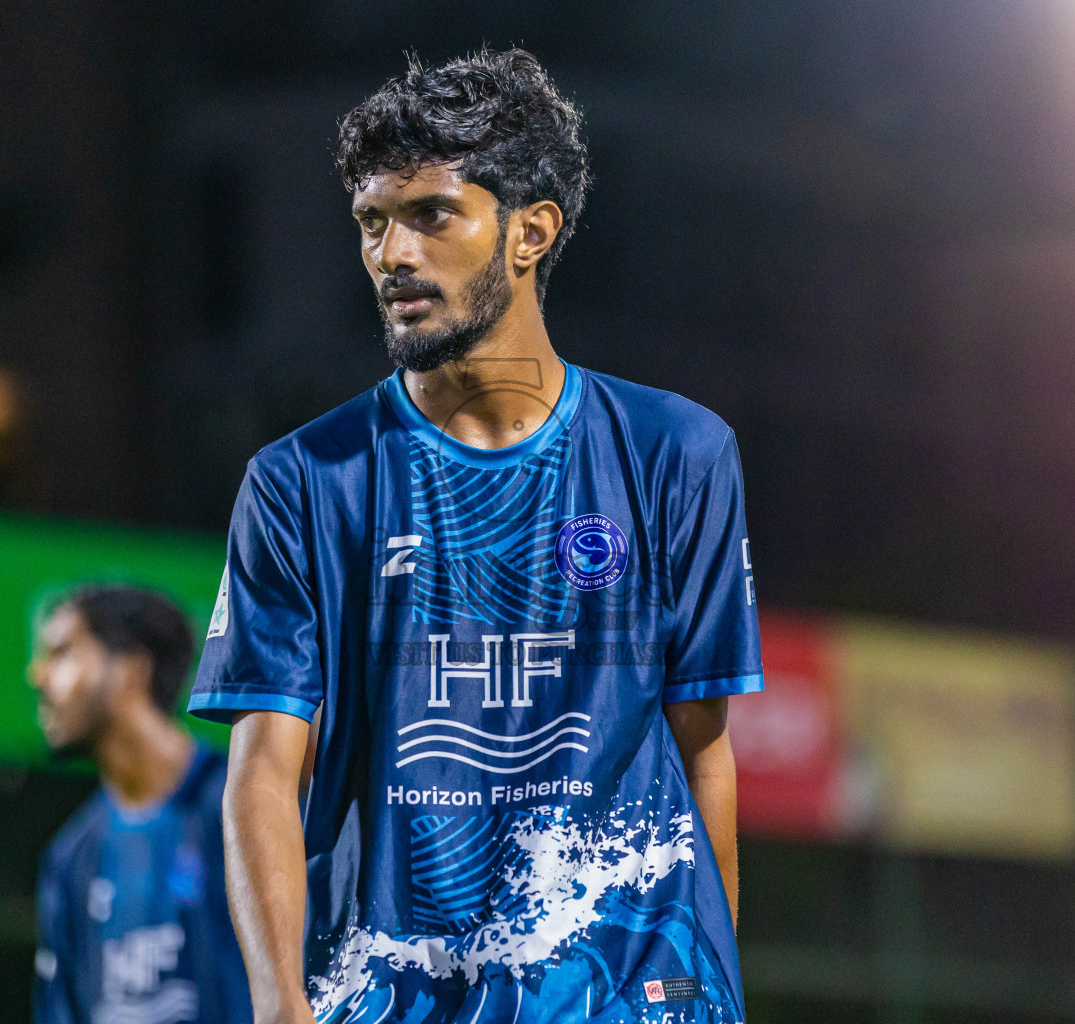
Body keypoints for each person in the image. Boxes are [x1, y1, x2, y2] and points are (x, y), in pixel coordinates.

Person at [190, 49, 763, 1024]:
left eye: (431, 215)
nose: (391, 254)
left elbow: (703, 750)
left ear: (531, 231)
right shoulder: (301, 481)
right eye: (372, 221)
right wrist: (280, 1006)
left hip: (619, 997)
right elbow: (264, 774)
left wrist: (712, 993)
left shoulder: (679, 452)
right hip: (393, 993)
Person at [30, 585, 252, 1024]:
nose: (37, 676)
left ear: (130, 669)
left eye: (62, 652)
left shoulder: (242, 808)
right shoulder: (70, 859)